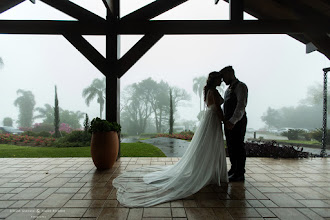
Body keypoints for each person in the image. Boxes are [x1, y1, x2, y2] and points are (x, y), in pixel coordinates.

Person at [112, 71, 228, 207]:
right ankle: (209, 172)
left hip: (208, 119)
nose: (221, 81)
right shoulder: (213, 92)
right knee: (210, 146)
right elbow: (218, 109)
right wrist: (225, 121)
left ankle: (208, 171)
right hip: (213, 120)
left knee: (207, 146)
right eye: (219, 79)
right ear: (215, 80)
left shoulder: (208, 91)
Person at [219, 66, 248, 182]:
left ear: (231, 74)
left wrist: (233, 121)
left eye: (224, 76)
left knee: (238, 147)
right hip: (228, 122)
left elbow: (241, 105)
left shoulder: (241, 86)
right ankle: (234, 169)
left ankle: (240, 173)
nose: (223, 80)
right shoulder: (228, 89)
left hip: (237, 122)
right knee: (231, 146)